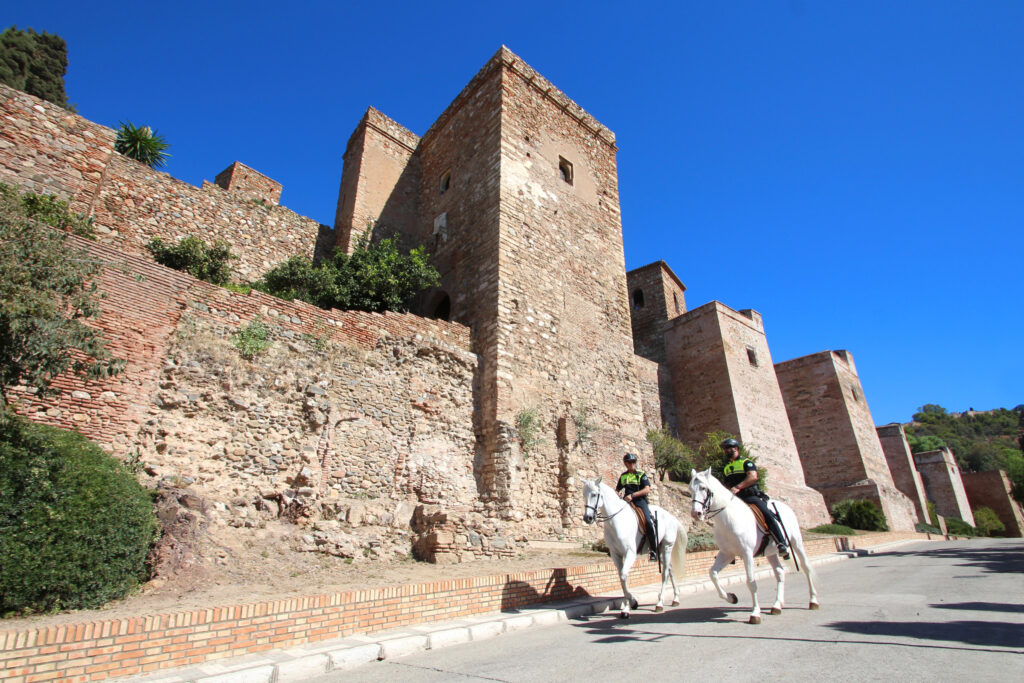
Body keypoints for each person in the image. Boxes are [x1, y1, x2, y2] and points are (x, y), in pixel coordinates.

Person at [720, 438, 790, 559]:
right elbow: (726, 485)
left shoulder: (747, 463)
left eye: (728, 448)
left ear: (735, 448)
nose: (726, 451)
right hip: (736, 500)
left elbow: (752, 477)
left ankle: (781, 543)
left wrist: (738, 487)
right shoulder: (727, 468)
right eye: (724, 449)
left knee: (767, 515)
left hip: (750, 496)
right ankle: (727, 550)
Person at [616, 453, 659, 561]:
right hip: (627, 501)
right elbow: (617, 490)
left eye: (633, 462)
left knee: (648, 522)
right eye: (629, 462)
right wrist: (618, 495)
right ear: (625, 464)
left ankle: (653, 550)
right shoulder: (623, 476)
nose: (631, 464)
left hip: (640, 501)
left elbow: (647, 489)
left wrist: (633, 495)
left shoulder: (641, 474)